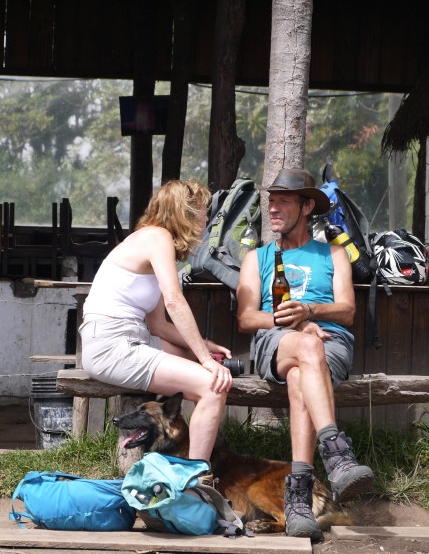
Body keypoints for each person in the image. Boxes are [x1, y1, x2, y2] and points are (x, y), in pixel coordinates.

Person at [236, 168, 374, 540]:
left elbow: (347, 311)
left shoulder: (333, 253)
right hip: (275, 340)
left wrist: (310, 312)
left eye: (283, 200)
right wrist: (292, 322)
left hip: (332, 341)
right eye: (271, 200)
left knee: (301, 374)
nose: (273, 207)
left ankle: (298, 499)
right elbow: (247, 317)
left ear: (307, 205)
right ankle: (337, 454)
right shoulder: (258, 258)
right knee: (307, 346)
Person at [80, 179, 233, 464]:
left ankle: (186, 457)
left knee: (204, 360)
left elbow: (159, 324)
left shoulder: (154, 243)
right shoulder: (157, 238)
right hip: (112, 345)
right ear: (184, 213)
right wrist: (206, 360)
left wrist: (204, 347)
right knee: (212, 386)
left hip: (131, 337)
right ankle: (195, 477)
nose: (207, 218)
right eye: (202, 211)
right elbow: (175, 301)